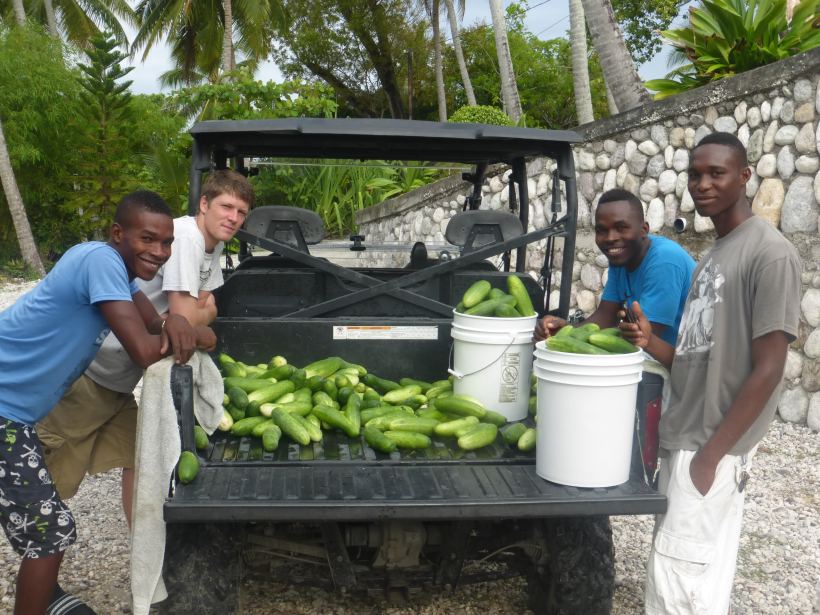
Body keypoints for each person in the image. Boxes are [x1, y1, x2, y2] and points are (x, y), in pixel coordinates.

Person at [0, 191, 215, 615]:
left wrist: (175, 322)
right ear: (118, 233)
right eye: (148, 239)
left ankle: (48, 597)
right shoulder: (98, 261)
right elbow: (142, 348)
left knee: (45, 527)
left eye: (167, 242)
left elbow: (154, 323)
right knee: (50, 534)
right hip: (3, 411)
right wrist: (197, 334)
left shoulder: (121, 274)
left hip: (16, 413)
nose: (160, 251)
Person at [619, 132, 801, 615]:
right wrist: (649, 341)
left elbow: (770, 368)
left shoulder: (771, 253)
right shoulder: (711, 257)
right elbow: (696, 360)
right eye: (695, 174)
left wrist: (711, 457)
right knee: (677, 572)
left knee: (683, 583)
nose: (702, 184)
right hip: (687, 437)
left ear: (745, 177)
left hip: (711, 444)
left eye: (716, 173)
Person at [37, 168, 252, 550]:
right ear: (204, 204)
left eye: (241, 212)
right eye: (226, 206)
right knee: (52, 483)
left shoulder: (211, 242)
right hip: (89, 378)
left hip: (119, 381)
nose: (233, 218)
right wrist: (195, 324)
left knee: (144, 459)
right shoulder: (181, 238)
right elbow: (187, 319)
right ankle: (40, 557)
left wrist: (190, 320)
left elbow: (197, 311)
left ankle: (146, 552)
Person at [534, 188, 695, 345]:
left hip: (680, 364)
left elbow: (645, 337)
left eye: (621, 228)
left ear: (644, 230)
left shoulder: (664, 262)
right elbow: (606, 316)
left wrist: (573, 339)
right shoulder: (622, 258)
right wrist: (566, 331)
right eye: (602, 230)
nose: (610, 238)